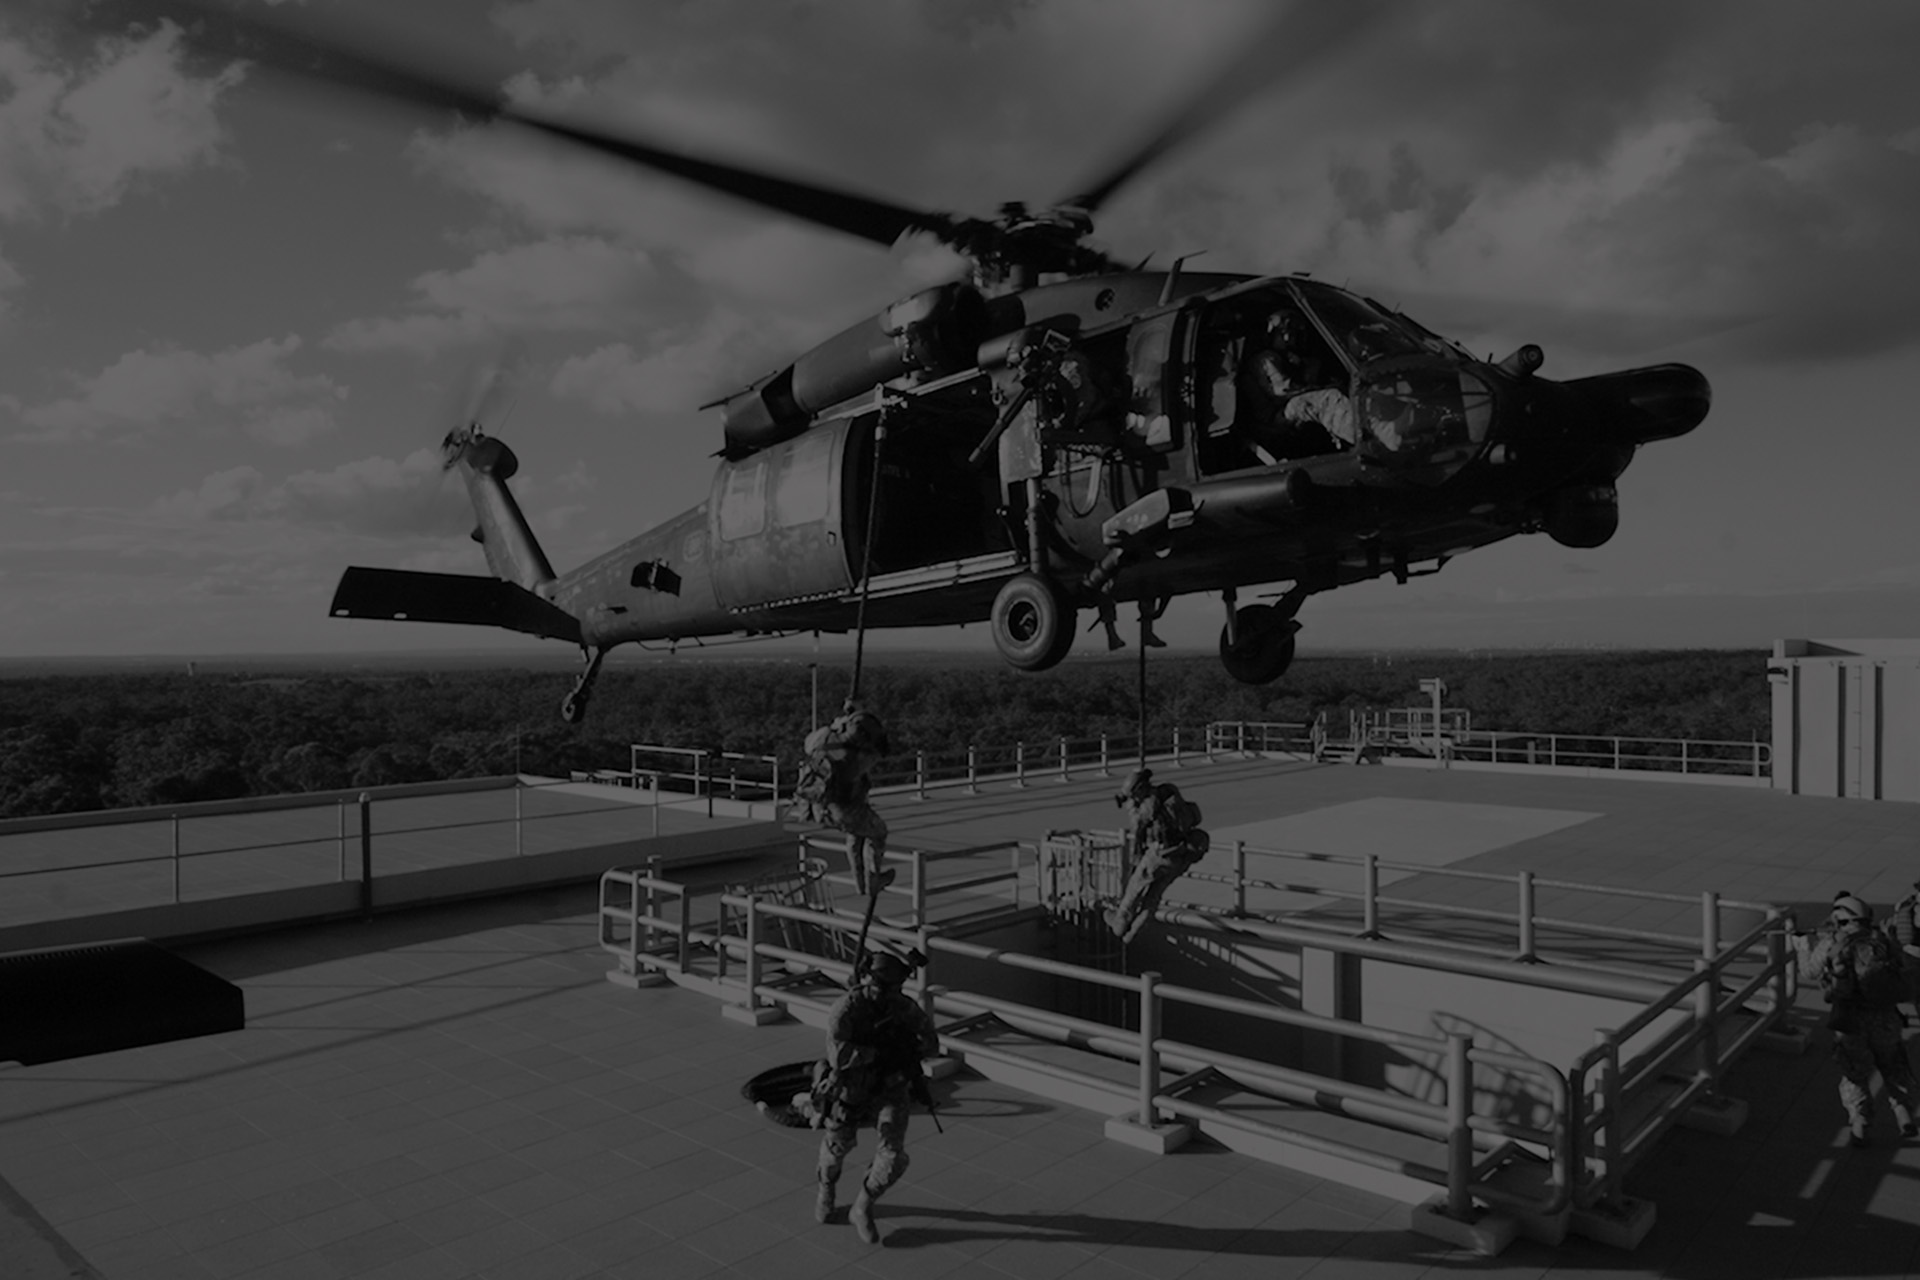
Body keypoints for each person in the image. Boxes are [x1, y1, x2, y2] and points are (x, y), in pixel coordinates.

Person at [808, 947, 939, 1245]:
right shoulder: (847, 1009)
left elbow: (931, 1042)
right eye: (880, 988)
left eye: (892, 990)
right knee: (836, 1149)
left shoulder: (903, 1007)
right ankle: (826, 1190)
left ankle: (863, 1206)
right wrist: (877, 1053)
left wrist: (907, 1051)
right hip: (851, 1087)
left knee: (894, 1158)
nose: (885, 995)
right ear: (867, 981)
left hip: (891, 1087)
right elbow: (839, 1055)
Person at [1794, 894, 1919, 1147]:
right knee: (1893, 1065)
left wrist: (1802, 947)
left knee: (1855, 1074)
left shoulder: (1832, 943)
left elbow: (1809, 971)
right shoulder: (1880, 939)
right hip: (1886, 1018)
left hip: (1849, 1022)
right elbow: (1901, 966)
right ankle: (1903, 1113)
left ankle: (1860, 1122)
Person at [795, 701, 894, 896]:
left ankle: (861, 884)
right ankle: (874, 878)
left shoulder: (825, 738)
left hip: (818, 808)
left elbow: (809, 744)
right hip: (843, 810)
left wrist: (844, 720)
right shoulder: (857, 759)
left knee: (856, 834)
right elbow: (882, 750)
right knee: (879, 832)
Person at [1104, 768, 1209, 943]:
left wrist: (1132, 808)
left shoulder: (1146, 807)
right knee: (1153, 896)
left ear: (1139, 791)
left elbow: (1137, 828)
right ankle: (1134, 931)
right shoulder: (1169, 790)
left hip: (1159, 854)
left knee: (1134, 888)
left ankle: (1120, 922)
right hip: (1181, 854)